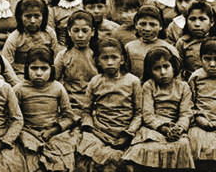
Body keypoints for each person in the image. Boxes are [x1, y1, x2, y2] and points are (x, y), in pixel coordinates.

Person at [76, 37, 141, 170]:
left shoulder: (133, 81)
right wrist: (91, 128)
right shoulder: (95, 81)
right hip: (99, 131)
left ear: (122, 60)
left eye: (114, 57)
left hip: (125, 131)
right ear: (98, 61)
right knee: (86, 155)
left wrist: (128, 134)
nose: (110, 62)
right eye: (105, 58)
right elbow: (86, 111)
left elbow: (139, 113)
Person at [14, 46, 78, 172]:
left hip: (53, 132)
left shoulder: (57, 88)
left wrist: (53, 130)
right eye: (34, 68)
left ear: (51, 69)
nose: (38, 73)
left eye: (44, 68)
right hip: (27, 132)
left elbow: (69, 116)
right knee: (27, 160)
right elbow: (13, 116)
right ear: (27, 69)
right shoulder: (19, 89)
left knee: (60, 160)